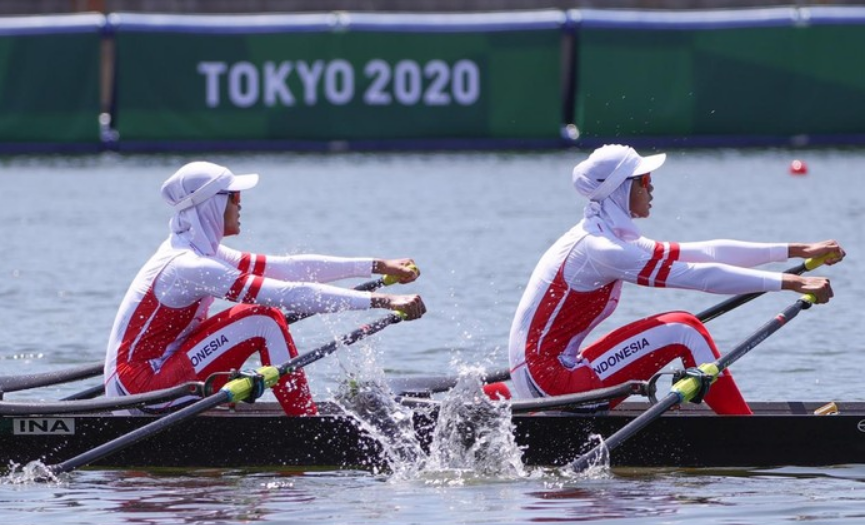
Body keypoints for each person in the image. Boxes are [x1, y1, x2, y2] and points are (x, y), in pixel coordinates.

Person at [508, 144, 844, 415]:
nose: (651, 186)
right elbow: (700, 277)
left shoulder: (608, 235)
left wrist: (798, 249)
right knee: (683, 329)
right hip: (550, 385)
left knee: (676, 327)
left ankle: (731, 418)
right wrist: (793, 283)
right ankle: (744, 429)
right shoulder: (602, 248)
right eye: (643, 180)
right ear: (621, 189)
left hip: (542, 377)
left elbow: (706, 253)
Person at [104, 161, 426, 416]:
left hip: (149, 377)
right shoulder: (189, 266)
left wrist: (379, 266)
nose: (241, 204)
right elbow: (289, 294)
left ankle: (294, 414)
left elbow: (290, 269)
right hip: (140, 393)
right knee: (264, 319)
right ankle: (304, 428)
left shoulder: (203, 251)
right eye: (235, 197)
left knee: (260, 316)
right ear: (211, 206)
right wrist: (383, 300)